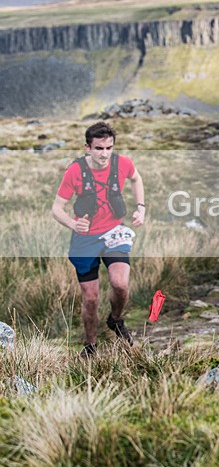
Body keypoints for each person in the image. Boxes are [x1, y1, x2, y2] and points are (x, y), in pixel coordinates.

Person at [51, 122, 145, 359]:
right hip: (85, 239)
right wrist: (73, 224)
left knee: (120, 284)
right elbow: (56, 209)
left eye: (109, 148)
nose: (104, 154)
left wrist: (141, 208)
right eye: (99, 148)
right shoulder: (75, 171)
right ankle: (91, 345)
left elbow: (136, 179)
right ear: (88, 147)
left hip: (114, 234)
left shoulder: (123, 163)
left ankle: (115, 319)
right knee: (91, 298)